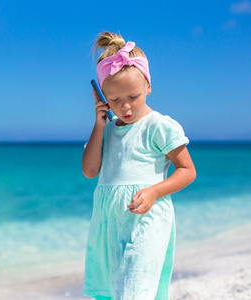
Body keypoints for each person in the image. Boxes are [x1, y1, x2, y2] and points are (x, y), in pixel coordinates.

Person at [82, 31, 196, 300]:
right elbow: (89, 171)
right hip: (109, 225)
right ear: (102, 98)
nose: (125, 107)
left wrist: (155, 191)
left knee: (135, 291)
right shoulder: (107, 130)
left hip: (147, 220)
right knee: (117, 291)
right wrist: (99, 125)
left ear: (148, 86)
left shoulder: (159, 126)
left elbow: (187, 170)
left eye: (133, 96)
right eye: (114, 100)